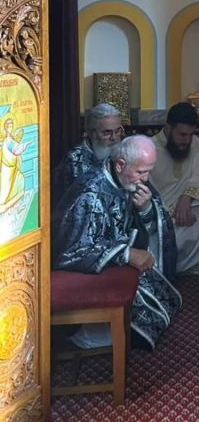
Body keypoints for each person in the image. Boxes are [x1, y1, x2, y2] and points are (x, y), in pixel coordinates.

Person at [53, 134, 180, 350]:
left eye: (148, 171)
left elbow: (154, 220)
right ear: (120, 165)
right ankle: (95, 333)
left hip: (116, 257)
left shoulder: (127, 178)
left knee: (163, 301)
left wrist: (146, 209)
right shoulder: (90, 193)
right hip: (88, 271)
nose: (145, 179)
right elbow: (74, 250)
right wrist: (127, 254)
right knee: (144, 324)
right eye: (141, 172)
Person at [150, 102, 199, 276]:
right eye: (182, 134)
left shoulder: (194, 142)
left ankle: (198, 259)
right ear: (168, 128)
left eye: (191, 134)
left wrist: (186, 197)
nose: (187, 140)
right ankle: (166, 264)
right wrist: (166, 211)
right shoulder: (149, 148)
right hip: (159, 209)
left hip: (185, 202)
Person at [53, 102, 125, 203]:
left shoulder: (125, 155)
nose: (114, 138)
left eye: (117, 131)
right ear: (92, 133)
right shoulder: (74, 161)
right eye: (107, 133)